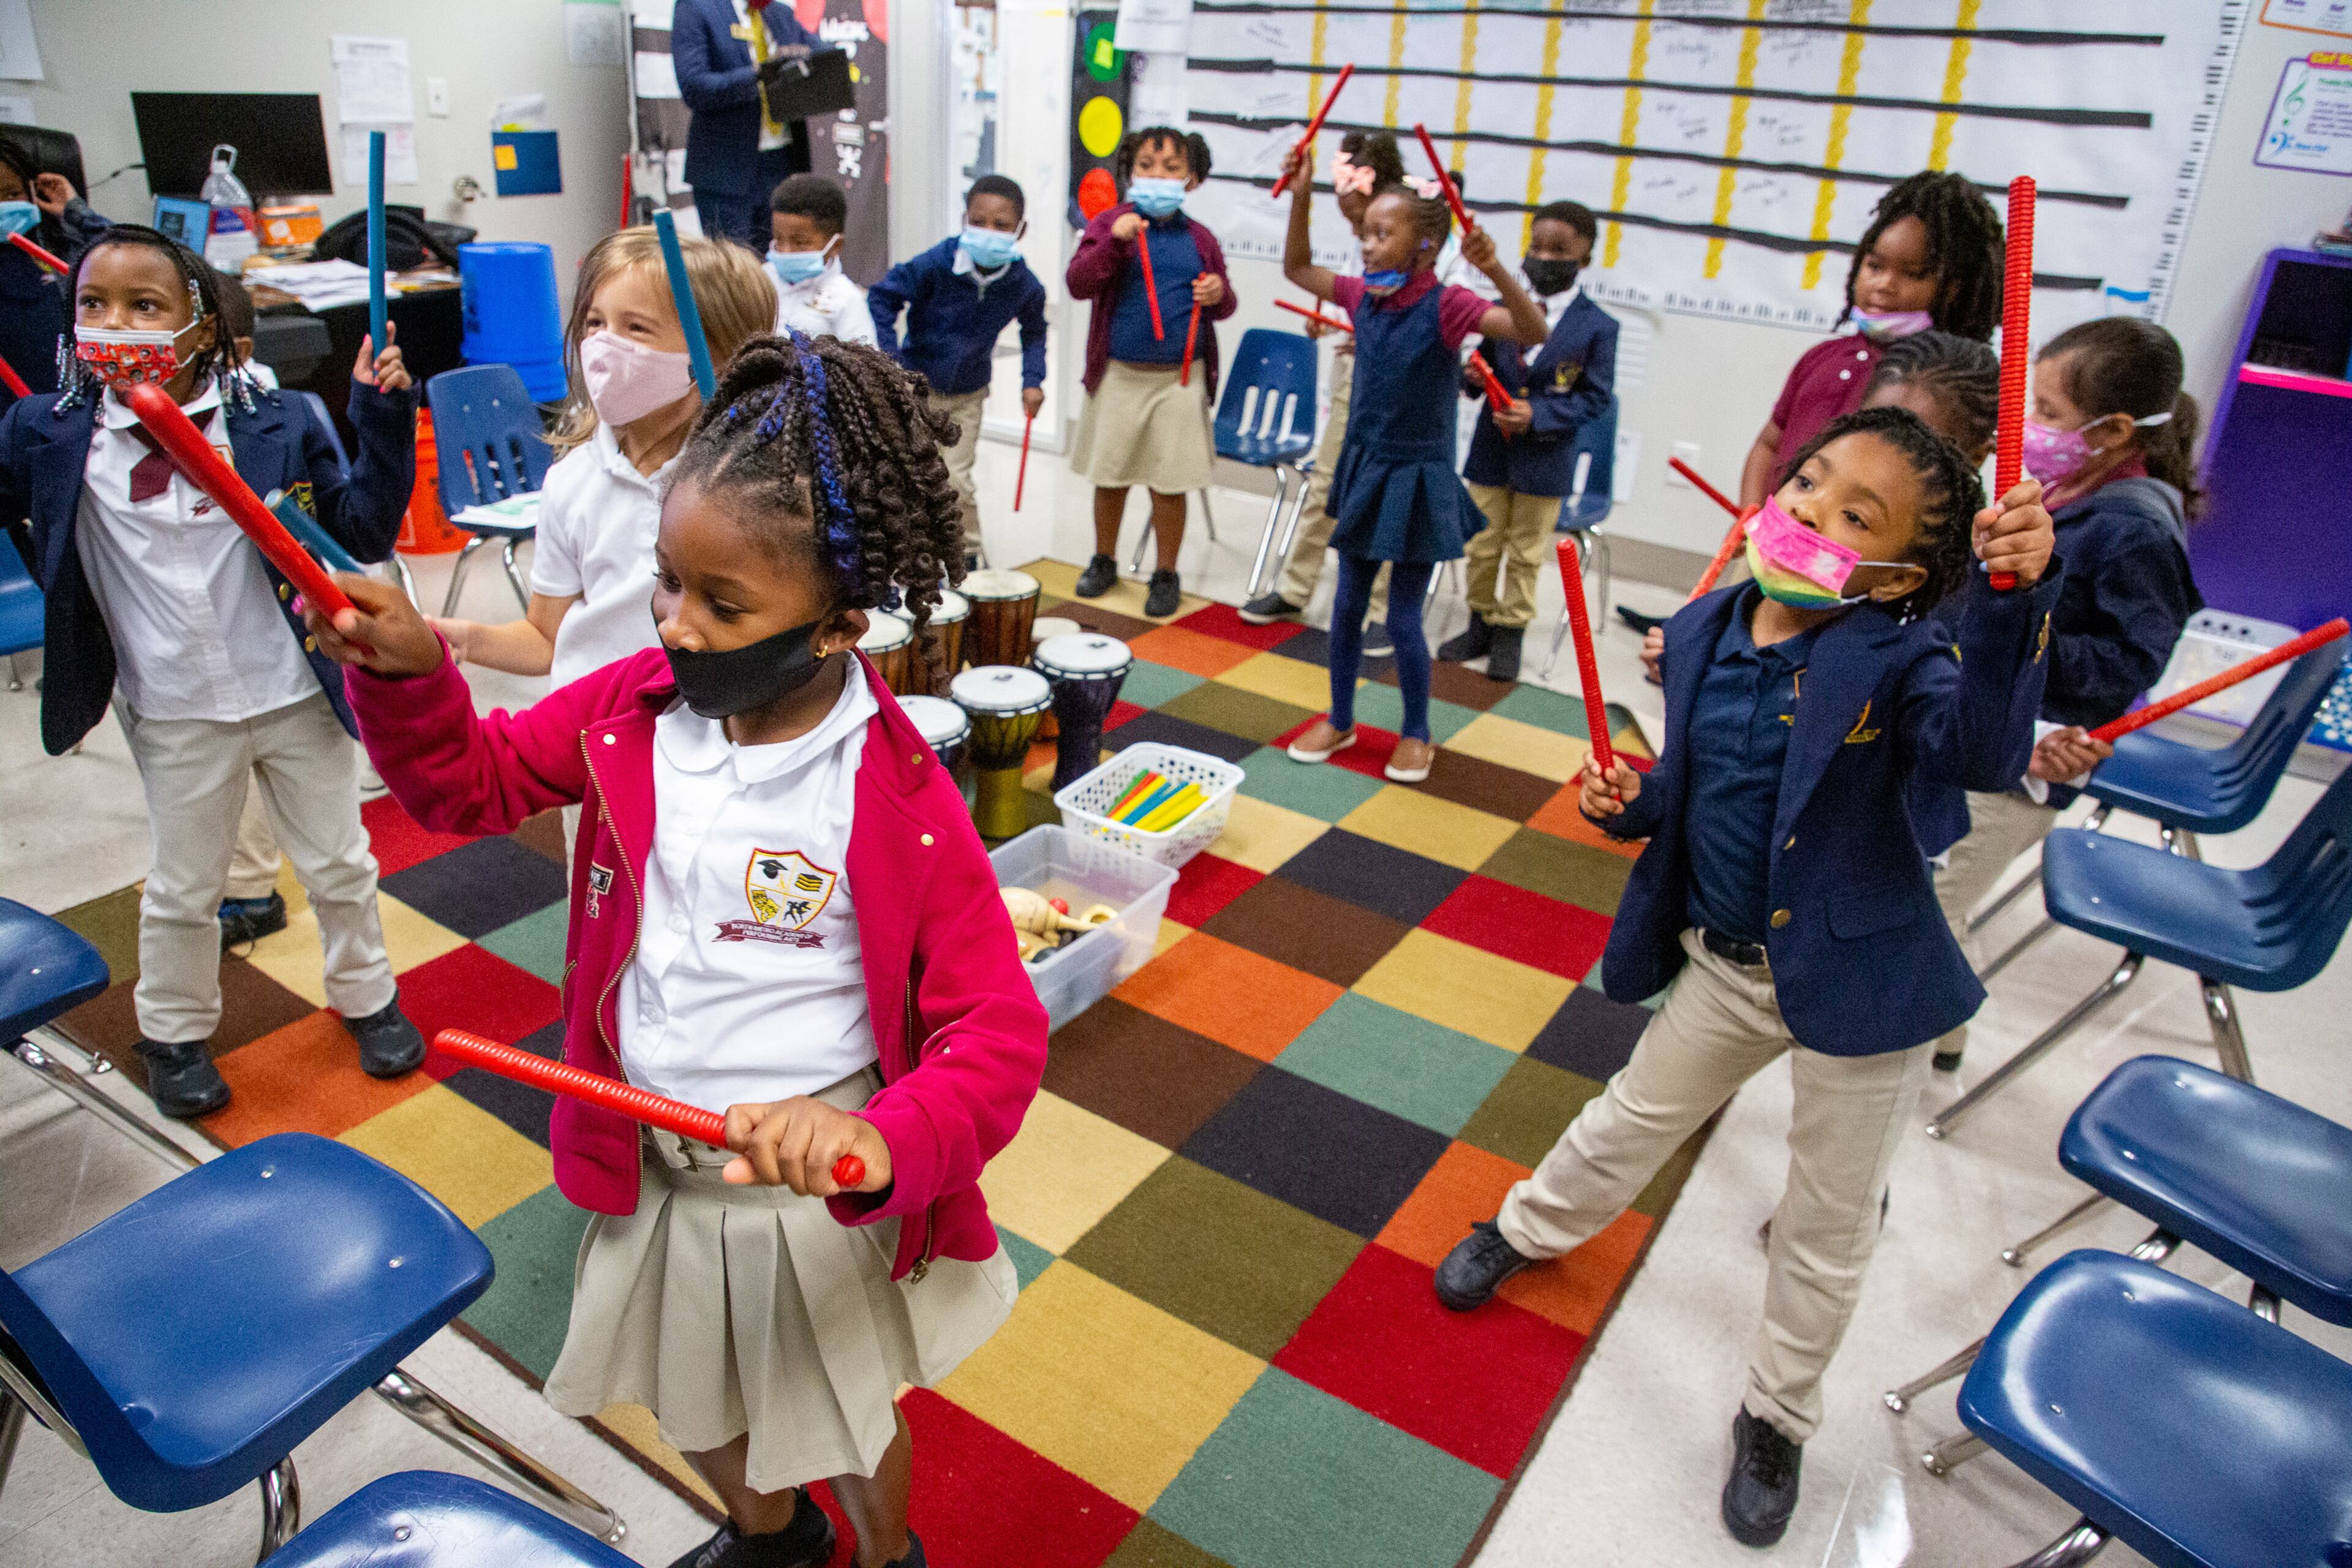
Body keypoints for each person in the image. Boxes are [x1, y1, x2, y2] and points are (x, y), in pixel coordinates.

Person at [304, 333, 1041, 1568]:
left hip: (806, 1179)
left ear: (838, 623)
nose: (679, 627)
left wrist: (880, 1137)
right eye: (666, 582)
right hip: (648, 1143)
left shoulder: (899, 792)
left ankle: (887, 1546)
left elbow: (996, 1030)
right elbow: (471, 786)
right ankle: (769, 1534)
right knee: (678, 1388)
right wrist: (421, 674)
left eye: (724, 603)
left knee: (842, 1417)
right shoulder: (631, 707)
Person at [1431, 405, 2059, 1547]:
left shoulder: (1909, 658)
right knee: (1627, 1117)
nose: (1811, 510)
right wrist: (1640, 804)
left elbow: (1980, 753)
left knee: (1825, 1217)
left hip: (1864, 989)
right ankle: (1527, 1229)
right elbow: (1699, 783)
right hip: (1725, 962)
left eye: (1852, 513)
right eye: (1809, 483)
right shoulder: (1715, 620)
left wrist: (2014, 608)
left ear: (1898, 574)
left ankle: (1778, 1415)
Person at [0, 227, 424, 1117]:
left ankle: (368, 997)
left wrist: (380, 416)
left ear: (203, 329)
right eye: (93, 305)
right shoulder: (46, 430)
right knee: (186, 886)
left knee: (341, 863)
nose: (115, 324)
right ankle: (175, 1031)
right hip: (173, 706)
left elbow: (361, 530)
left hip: (293, 689)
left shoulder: (281, 420)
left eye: (145, 307)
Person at [1922, 317, 2203, 1071]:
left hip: (2033, 753)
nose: (2031, 426)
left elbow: (2126, 667)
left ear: (2113, 430)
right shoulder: (2074, 489)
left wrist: (2010, 624)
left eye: (2048, 412)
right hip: (2001, 722)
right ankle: (1945, 1036)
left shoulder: (2135, 527)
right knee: (1941, 888)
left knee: (1930, 905)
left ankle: (1899, 1063)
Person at [1275, 151, 1548, 783]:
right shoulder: (1365, 296)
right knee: (1346, 605)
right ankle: (1341, 718)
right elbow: (1295, 267)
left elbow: (1529, 330)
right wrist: (1300, 192)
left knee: (1401, 616)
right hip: (1365, 466)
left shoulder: (1449, 304)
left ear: (1425, 244)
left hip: (1417, 475)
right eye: (1365, 231)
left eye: (1381, 233)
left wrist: (1495, 268)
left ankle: (1418, 731)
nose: (1367, 246)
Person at [434, 226, 777, 693]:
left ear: (718, 354)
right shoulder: (572, 480)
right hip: (595, 728)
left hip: (700, 731)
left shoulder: (754, 484)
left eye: (636, 328)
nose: (602, 346)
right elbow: (546, 638)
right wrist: (468, 640)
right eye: (595, 324)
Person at [1637, 330, 2000, 686]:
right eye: (1806, 482)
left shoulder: (1944, 626)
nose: (1806, 511)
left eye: (1920, 444)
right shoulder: (1767, 591)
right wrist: (1689, 667)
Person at [1738, 172, 2002, 511]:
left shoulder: (1933, 385)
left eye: (1913, 274)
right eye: (1875, 266)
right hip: (1771, 542)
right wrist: (1749, 513)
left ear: (1954, 289)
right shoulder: (1822, 357)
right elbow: (1768, 444)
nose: (1885, 284)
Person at [1240, 130, 1409, 653]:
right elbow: (1306, 273)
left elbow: (1436, 310)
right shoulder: (1363, 243)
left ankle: (1380, 610)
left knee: (1385, 493)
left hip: (1405, 385)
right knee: (1327, 481)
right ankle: (1294, 590)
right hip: (1355, 376)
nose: (1342, 205)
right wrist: (1338, 323)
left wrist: (1377, 332)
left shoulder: (1418, 229)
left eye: (1344, 187)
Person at [1436, 199, 1616, 682]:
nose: (1543, 257)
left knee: (1526, 550)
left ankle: (1509, 631)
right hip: (1492, 454)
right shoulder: (1498, 311)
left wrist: (1538, 415)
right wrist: (1473, 375)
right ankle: (1478, 620)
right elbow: (1477, 378)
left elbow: (1594, 399)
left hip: (1546, 460)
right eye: (1536, 247)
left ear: (1585, 257)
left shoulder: (1598, 326)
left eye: (1558, 250)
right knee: (1482, 540)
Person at [1064, 127, 1237, 618]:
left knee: (1170, 481)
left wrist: (1219, 295)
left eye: (1172, 168)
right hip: (1119, 374)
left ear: (1193, 180)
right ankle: (1104, 559)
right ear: (1129, 172)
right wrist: (1112, 245)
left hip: (1180, 379)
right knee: (1111, 474)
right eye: (1146, 166)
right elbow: (1078, 283)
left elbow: (1225, 304)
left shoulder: (1200, 239)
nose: (1157, 176)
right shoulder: (1110, 224)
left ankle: (1166, 572)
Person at [866, 173, 1048, 565]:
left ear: (1021, 230)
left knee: (956, 479)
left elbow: (1034, 332)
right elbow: (883, 298)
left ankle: (966, 554)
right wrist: (890, 360)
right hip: (916, 391)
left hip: (968, 395)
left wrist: (1032, 380)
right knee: (910, 473)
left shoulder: (1023, 283)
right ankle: (908, 552)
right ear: (965, 219)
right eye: (978, 222)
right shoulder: (936, 264)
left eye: (1001, 225)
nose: (988, 232)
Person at [670, 0, 831, 249]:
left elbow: (825, 57)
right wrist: (762, 73)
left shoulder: (779, 12)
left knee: (781, 264)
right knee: (734, 272)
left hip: (783, 164)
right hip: (725, 171)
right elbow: (694, 87)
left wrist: (805, 57)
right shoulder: (696, 8)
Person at [0, 135, 109, 413]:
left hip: (74, 411)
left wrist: (77, 213)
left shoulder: (58, 247)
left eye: (12, 194)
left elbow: (139, 262)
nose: (3, 206)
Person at [767, 173, 876, 348]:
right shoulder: (758, 280)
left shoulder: (846, 300)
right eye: (779, 240)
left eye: (800, 243)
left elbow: (865, 366)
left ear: (836, 245)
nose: (786, 251)